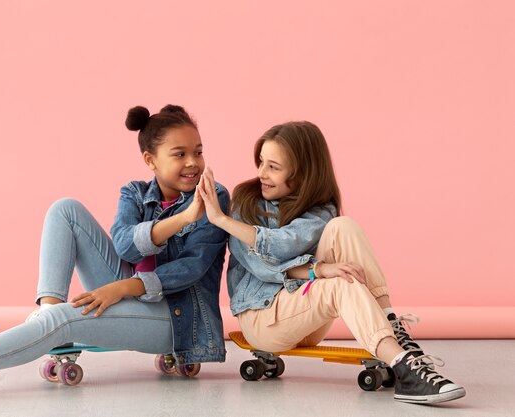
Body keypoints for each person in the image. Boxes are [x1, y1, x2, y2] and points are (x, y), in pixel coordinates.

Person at [0, 104, 230, 399]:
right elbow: (125, 246)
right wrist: (184, 219)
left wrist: (122, 288)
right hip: (131, 289)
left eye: (198, 152)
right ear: (150, 160)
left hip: (176, 317)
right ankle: (49, 310)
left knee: (64, 321)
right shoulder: (135, 192)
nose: (193, 163)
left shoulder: (213, 196)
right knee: (65, 209)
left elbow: (192, 268)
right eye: (180, 154)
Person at [197, 121, 466, 404]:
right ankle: (404, 366)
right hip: (263, 320)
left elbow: (284, 243)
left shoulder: (320, 210)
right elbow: (263, 263)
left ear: (302, 174)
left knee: (344, 226)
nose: (262, 173)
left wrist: (316, 271)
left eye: (273, 167)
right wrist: (318, 270)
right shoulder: (245, 202)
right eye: (261, 162)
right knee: (340, 285)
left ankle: (390, 324)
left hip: (305, 318)